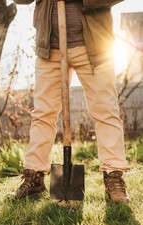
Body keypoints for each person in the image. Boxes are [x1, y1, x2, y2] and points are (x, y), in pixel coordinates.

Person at [15, 0, 130, 203]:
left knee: (106, 111)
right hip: (50, 47)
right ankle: (34, 176)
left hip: (95, 46)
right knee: (43, 113)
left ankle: (114, 176)